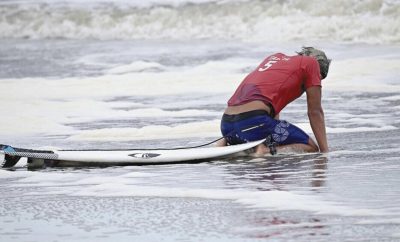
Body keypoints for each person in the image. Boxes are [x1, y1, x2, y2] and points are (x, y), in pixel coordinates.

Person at [217, 47, 331, 155]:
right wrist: (325, 152)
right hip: (254, 123)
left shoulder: (275, 58)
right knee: (311, 147)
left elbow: (271, 108)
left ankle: (224, 142)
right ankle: (264, 151)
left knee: (266, 130)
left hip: (226, 125)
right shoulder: (311, 63)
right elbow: (315, 112)